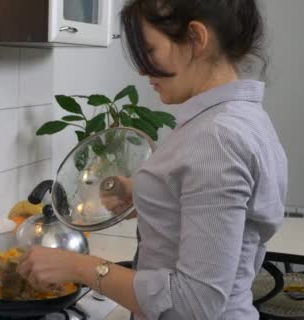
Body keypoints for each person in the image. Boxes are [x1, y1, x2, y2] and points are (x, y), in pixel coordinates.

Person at [17, 1, 288, 319]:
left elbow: (194, 302)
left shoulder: (216, 139)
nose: (144, 70)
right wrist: (145, 193)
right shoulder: (240, 118)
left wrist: (79, 266)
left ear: (197, 39)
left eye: (149, 50)